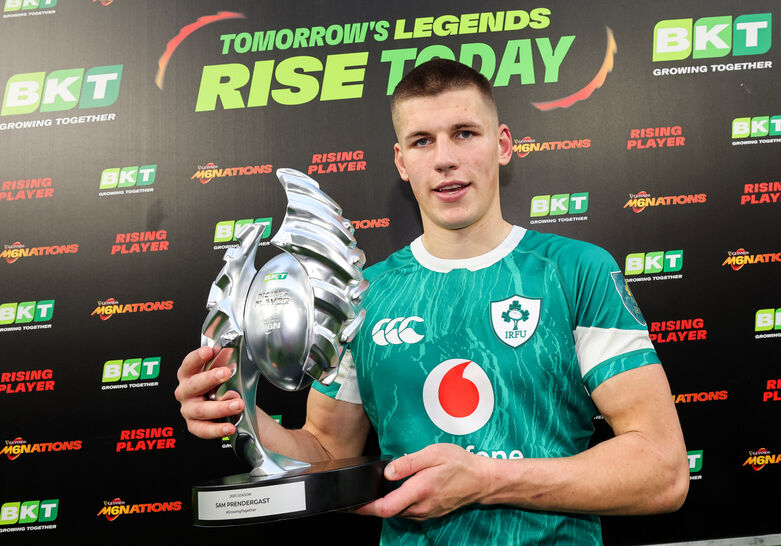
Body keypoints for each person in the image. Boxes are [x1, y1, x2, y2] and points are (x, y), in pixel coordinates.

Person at [176, 58, 688, 544]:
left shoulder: (578, 271)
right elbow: (326, 452)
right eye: (422, 141)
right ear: (402, 160)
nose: (445, 158)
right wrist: (240, 411)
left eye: (464, 133)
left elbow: (663, 471)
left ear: (503, 144)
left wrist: (488, 478)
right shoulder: (365, 294)